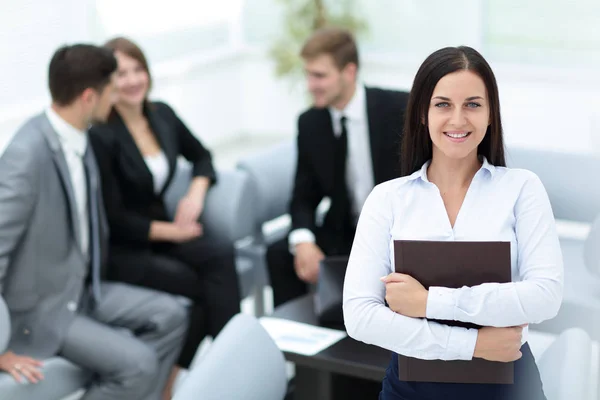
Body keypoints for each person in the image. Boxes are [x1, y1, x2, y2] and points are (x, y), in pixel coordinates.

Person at [343, 46, 564, 400]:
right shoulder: (388, 199)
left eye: (473, 104)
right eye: (443, 104)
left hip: (507, 387)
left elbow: (546, 297)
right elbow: (359, 316)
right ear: (421, 114)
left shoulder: (522, 188)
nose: (458, 120)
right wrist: (473, 343)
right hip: (410, 389)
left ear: (492, 114)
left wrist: (428, 303)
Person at [0, 44, 188, 400]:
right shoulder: (27, 155)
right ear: (89, 97)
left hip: (86, 290)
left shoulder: (79, 135)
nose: (115, 98)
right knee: (140, 364)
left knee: (172, 315)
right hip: (42, 311)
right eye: (111, 91)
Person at [88, 37, 241, 398]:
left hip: (164, 235)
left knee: (220, 253)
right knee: (202, 290)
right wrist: (174, 231)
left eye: (137, 69)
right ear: (107, 82)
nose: (132, 80)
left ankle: (217, 369)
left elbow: (202, 155)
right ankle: (218, 375)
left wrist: (195, 192)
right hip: (126, 248)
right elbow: (114, 218)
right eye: (121, 73)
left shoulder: (162, 115)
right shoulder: (101, 134)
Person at [267, 27, 410, 308]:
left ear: (349, 71)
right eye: (308, 74)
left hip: (397, 232)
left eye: (319, 75)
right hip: (344, 231)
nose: (310, 84)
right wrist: (303, 242)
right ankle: (299, 341)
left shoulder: (398, 109)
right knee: (279, 253)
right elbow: (303, 196)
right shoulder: (311, 122)